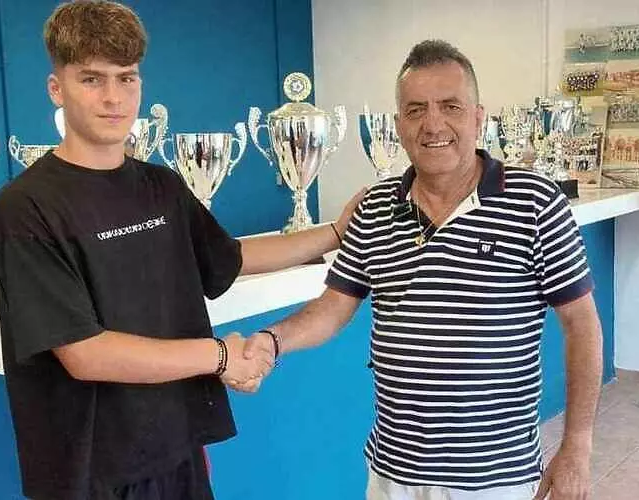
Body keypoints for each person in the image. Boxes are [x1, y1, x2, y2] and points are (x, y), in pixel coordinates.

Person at [0, 1, 363, 499]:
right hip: (90, 468)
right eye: (91, 79)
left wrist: (336, 232)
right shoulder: (25, 206)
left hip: (177, 445)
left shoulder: (160, 186)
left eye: (126, 78)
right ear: (57, 88)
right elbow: (85, 353)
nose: (113, 97)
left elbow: (231, 257)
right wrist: (221, 355)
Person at [243, 40, 603, 500]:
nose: (433, 124)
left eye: (451, 106)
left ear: (478, 118)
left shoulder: (534, 202)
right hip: (393, 472)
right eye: (416, 110)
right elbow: (332, 308)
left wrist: (577, 445)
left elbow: (581, 325)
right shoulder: (375, 207)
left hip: (494, 478)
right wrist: (273, 340)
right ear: (398, 125)